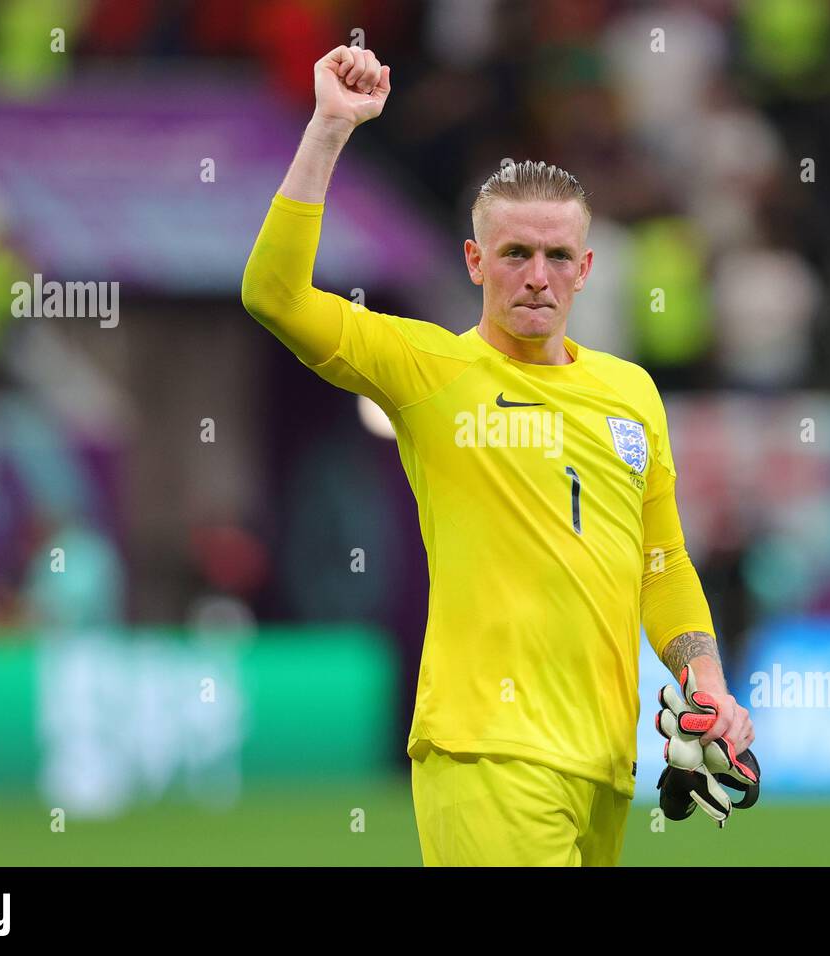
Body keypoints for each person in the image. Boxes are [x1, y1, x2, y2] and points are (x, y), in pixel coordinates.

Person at [241, 46, 753, 866]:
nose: (537, 277)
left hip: (603, 765)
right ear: (476, 261)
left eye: (557, 257)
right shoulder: (430, 371)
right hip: (486, 754)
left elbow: (662, 564)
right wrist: (330, 129)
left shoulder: (631, 395)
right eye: (515, 254)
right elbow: (273, 294)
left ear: (586, 270)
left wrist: (707, 681)